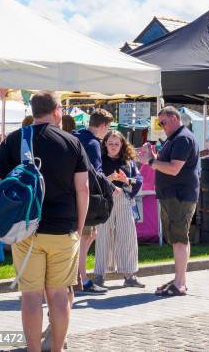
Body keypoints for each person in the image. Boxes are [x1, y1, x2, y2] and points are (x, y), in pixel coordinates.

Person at [0, 91, 90, 352]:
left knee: (31, 297)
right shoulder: (72, 142)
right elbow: (83, 189)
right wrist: (79, 228)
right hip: (63, 229)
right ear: (57, 110)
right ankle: (56, 349)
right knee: (58, 295)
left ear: (32, 111)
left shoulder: (15, 139)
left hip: (26, 230)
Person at [151, 106, 199, 296]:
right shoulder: (176, 138)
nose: (161, 126)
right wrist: (155, 158)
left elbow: (173, 168)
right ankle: (179, 279)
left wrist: (150, 162)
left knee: (179, 239)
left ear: (173, 118)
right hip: (174, 196)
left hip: (179, 196)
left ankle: (179, 284)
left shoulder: (182, 138)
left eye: (162, 122)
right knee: (179, 239)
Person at [74, 108, 117, 294]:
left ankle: (78, 277)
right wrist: (111, 187)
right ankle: (81, 279)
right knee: (85, 238)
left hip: (72, 195)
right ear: (102, 125)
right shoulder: (92, 143)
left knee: (84, 238)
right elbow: (95, 175)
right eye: (107, 128)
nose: (107, 132)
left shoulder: (76, 137)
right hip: (86, 197)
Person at [95, 130, 145, 288]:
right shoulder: (100, 160)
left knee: (128, 236)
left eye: (117, 143)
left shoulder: (128, 162)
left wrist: (126, 180)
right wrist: (110, 181)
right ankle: (99, 276)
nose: (113, 146)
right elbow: (96, 178)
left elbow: (138, 180)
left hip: (123, 199)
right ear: (105, 144)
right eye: (110, 143)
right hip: (105, 201)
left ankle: (129, 275)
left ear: (122, 144)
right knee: (103, 237)